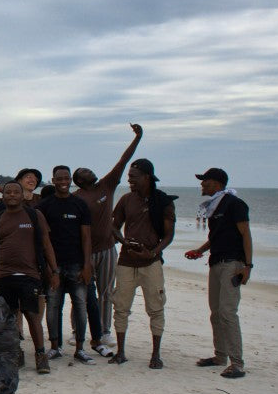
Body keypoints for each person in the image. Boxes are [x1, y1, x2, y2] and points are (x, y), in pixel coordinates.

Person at [74, 123, 142, 351]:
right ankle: (78, 330)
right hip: (84, 252)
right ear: (79, 180)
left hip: (107, 249)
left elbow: (123, 161)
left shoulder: (106, 185)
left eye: (90, 170)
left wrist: (137, 138)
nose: (91, 172)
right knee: (81, 293)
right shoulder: (76, 197)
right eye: (85, 172)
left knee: (106, 291)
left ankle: (104, 330)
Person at [0, 181, 60, 374]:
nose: (12, 195)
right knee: (8, 318)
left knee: (32, 316)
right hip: (3, 275)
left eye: (16, 192)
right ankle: (16, 353)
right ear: (2, 196)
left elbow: (46, 244)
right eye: (8, 192)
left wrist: (54, 271)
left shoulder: (35, 215)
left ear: (23, 195)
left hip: (30, 275)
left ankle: (41, 355)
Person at [185, 168, 252, 379]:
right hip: (215, 262)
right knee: (215, 311)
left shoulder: (235, 204)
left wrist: (248, 266)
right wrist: (200, 251)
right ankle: (220, 356)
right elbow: (217, 236)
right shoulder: (213, 207)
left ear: (217, 183)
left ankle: (237, 363)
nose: (202, 185)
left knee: (227, 312)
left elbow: (245, 234)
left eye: (205, 181)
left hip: (232, 264)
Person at [110, 158, 176, 369]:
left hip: (151, 262)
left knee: (156, 307)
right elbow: (113, 226)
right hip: (127, 261)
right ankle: (120, 352)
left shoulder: (163, 202)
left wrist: (153, 252)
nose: (130, 181)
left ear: (147, 177)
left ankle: (155, 354)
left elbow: (168, 235)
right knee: (121, 307)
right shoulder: (127, 200)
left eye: (133, 177)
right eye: (129, 177)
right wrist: (123, 242)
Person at [37, 166, 96, 364]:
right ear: (53, 180)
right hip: (54, 266)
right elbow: (41, 240)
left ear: (71, 180)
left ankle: (80, 348)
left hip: (77, 264)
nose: (63, 181)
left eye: (66, 178)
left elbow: (87, 237)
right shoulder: (44, 206)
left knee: (80, 305)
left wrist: (87, 265)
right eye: (59, 178)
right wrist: (47, 267)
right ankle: (55, 347)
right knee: (53, 306)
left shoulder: (80, 205)